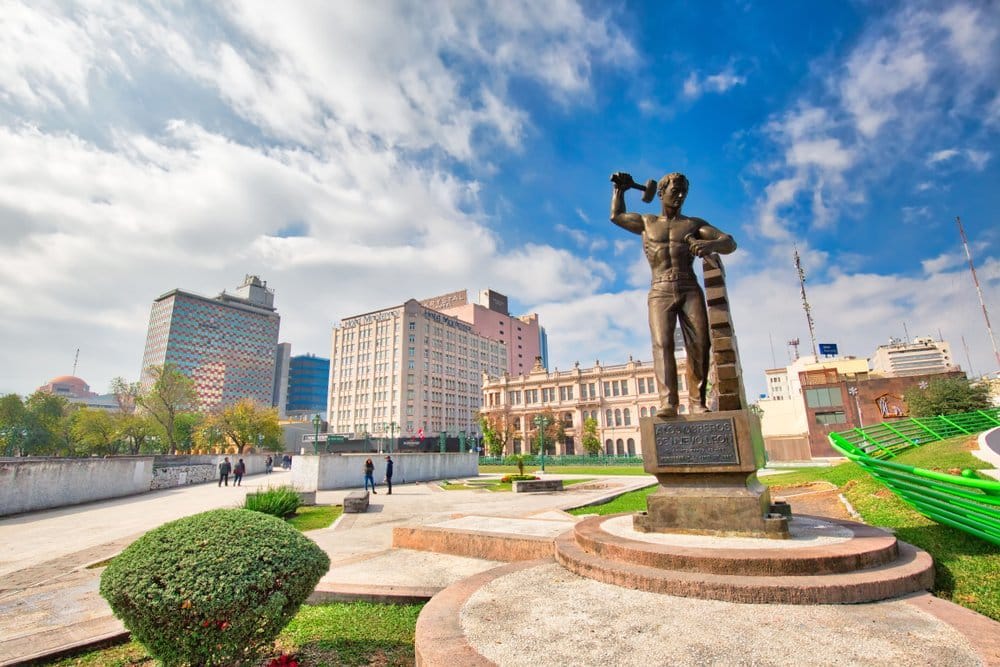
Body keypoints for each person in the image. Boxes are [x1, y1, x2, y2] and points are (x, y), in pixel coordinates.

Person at [611, 171, 736, 418]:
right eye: (674, 191)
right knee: (663, 344)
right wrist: (620, 190)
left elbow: (729, 242)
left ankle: (697, 402)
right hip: (660, 289)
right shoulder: (647, 222)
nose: (679, 196)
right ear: (660, 192)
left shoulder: (693, 225)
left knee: (700, 344)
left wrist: (709, 245)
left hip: (689, 286)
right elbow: (617, 216)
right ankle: (668, 401)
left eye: (683, 192)